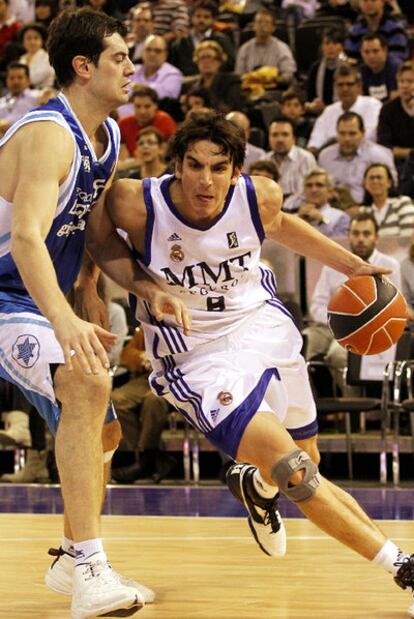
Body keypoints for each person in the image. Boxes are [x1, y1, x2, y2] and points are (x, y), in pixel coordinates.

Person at [84, 110, 414, 617]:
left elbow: (281, 226)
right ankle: (403, 568)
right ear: (175, 165)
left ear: (236, 171)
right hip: (195, 353)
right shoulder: (136, 203)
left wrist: (351, 264)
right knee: (296, 471)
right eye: (193, 165)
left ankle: (255, 488)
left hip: (262, 328)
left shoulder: (259, 195)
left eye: (219, 167)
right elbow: (98, 240)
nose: (204, 179)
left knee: (309, 459)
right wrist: (146, 288)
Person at [0, 7, 190, 618]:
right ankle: (88, 568)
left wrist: (146, 287)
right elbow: (27, 238)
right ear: (82, 67)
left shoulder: (104, 141)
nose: (132, 68)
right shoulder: (47, 134)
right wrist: (64, 319)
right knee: (85, 377)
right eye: (118, 58)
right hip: (6, 295)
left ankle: (70, 561)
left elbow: (100, 238)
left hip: (32, 298)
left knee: (105, 427)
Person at [303, 211, 401, 391]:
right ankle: (317, 409)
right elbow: (316, 306)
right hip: (329, 325)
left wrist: (348, 325)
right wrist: (339, 322)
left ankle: (352, 410)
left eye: (366, 234)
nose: (361, 239)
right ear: (349, 236)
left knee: (338, 355)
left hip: (368, 327)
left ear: (376, 238)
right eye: (356, 233)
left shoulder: (389, 265)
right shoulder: (334, 264)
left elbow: (395, 307)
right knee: (301, 345)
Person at [318, 111, 396, 203]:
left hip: (369, 207)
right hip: (333, 209)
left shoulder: (380, 155)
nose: (346, 139)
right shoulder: (325, 156)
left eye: (352, 134)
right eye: (342, 133)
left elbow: (391, 188)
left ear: (363, 134)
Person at [307, 64, 382, 153]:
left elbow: (368, 137)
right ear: (335, 87)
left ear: (359, 86)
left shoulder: (373, 105)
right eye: (340, 85)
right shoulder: (329, 111)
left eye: (349, 84)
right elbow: (315, 143)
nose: (345, 89)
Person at [169, 0, 235, 76]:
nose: (201, 20)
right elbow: (172, 66)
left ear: (214, 19)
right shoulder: (181, 42)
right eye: (198, 16)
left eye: (206, 17)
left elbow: (230, 65)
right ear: (191, 18)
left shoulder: (222, 40)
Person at [283, 167, 351, 237]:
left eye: (319, 185)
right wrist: (298, 221)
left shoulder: (341, 217)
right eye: (309, 185)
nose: (313, 190)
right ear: (304, 191)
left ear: (330, 192)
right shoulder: (292, 218)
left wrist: (322, 221)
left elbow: (340, 244)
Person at [234, 9, 297, 84]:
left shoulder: (282, 48)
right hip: (250, 88)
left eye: (266, 22)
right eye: (259, 22)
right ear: (254, 26)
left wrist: (271, 80)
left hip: (275, 89)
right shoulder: (244, 49)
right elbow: (239, 74)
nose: (262, 26)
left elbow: (288, 74)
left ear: (273, 28)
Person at [261, 115, 316, 197]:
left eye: (285, 134)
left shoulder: (306, 158)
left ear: (293, 138)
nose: (279, 139)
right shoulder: (263, 160)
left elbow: (314, 190)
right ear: (269, 138)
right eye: (275, 135)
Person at [183, 39, 244, 113]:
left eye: (209, 57)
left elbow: (234, 109)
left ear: (219, 61)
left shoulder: (231, 82)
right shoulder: (193, 87)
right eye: (202, 58)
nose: (206, 61)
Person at [345, 0, 408, 65]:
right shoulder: (355, 30)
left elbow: (398, 57)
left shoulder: (395, 27)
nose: (369, 3)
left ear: (382, 2)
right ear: (359, 4)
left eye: (373, 0)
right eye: (365, 1)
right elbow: (350, 58)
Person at [377, 60, 414, 170]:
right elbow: (384, 147)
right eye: (401, 81)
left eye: (410, 82)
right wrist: (410, 153)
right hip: (397, 165)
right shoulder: (388, 109)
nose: (405, 86)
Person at [361, 162, 414, 237]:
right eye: (371, 178)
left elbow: (408, 236)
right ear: (365, 184)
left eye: (379, 177)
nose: (375, 181)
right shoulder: (363, 211)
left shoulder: (402, 203)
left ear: (389, 183)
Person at [131, 34, 183, 101]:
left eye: (157, 51)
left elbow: (166, 96)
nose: (152, 54)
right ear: (142, 52)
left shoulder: (173, 74)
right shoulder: (132, 69)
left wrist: (134, 88)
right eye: (148, 49)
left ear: (165, 55)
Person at [0, 61, 39, 136]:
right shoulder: (1, 102)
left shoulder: (37, 97)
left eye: (20, 77)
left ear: (28, 80)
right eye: (11, 78)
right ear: (6, 81)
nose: (15, 81)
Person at [19, 22, 55, 88]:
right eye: (28, 38)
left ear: (42, 41)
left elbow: (34, 79)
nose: (32, 42)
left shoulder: (47, 58)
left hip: (44, 93)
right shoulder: (22, 58)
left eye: (36, 38)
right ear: (23, 42)